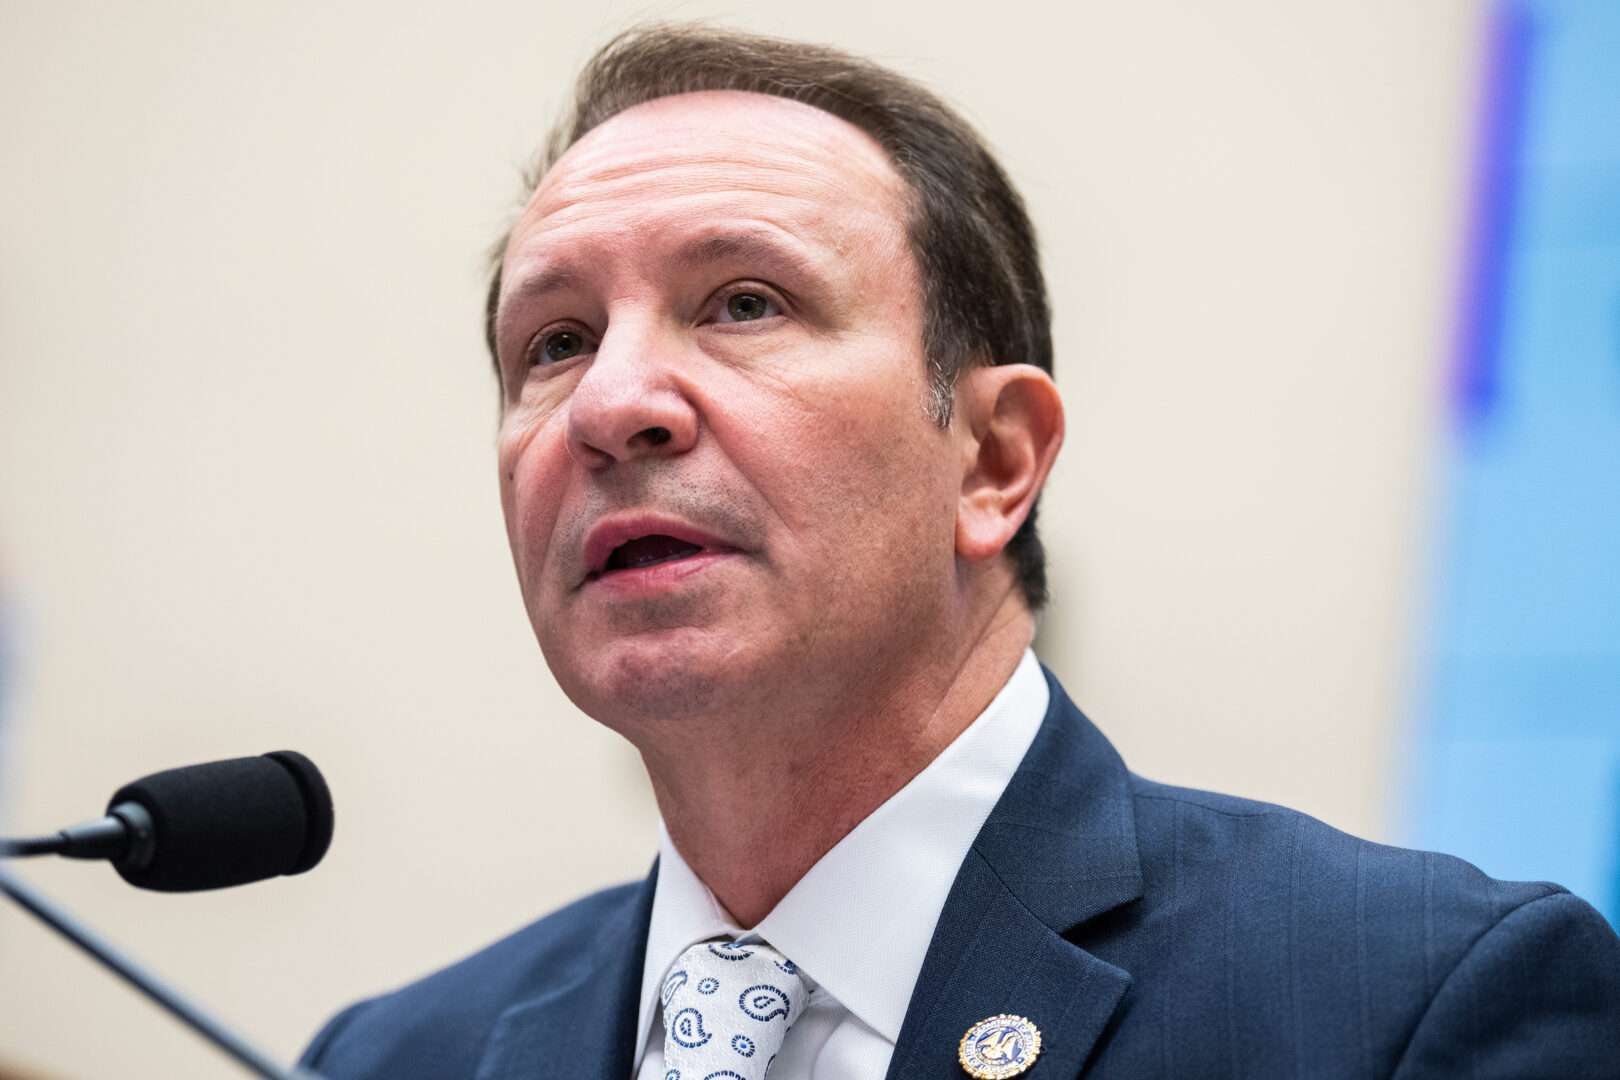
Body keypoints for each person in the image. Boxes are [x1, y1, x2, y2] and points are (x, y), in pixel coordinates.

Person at [300, 24, 1620, 1080]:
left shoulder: (1408, 1005)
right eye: (555, 342)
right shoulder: (391, 1059)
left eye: (745, 303)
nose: (609, 405)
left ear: (992, 461)